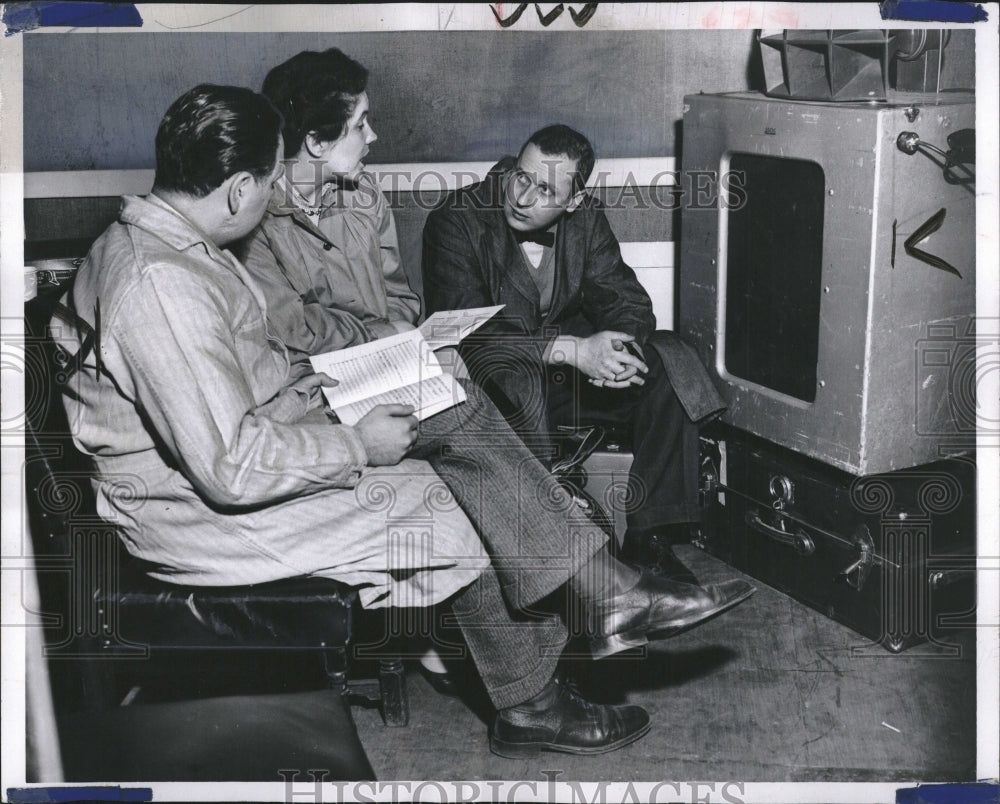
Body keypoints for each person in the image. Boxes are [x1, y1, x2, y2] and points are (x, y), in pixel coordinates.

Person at [58, 84, 755, 758]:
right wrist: (356, 441)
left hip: (258, 437)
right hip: (198, 515)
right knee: (464, 498)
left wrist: (364, 378)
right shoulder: (162, 285)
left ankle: (598, 606)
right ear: (238, 190)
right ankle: (544, 685)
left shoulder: (181, 249)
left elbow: (249, 380)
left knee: (444, 395)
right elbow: (230, 469)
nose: (276, 196)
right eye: (271, 181)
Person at [422, 125, 728, 584]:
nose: (522, 197)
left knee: (669, 358)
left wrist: (616, 352)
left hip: (569, 384)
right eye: (520, 177)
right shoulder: (456, 220)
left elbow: (627, 301)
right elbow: (474, 335)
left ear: (574, 201)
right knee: (517, 377)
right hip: (496, 382)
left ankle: (652, 540)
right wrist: (574, 351)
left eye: (545, 189)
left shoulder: (587, 220)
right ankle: (569, 556)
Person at [235, 48, 421, 380]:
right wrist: (380, 334)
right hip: (309, 386)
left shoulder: (365, 193)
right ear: (317, 142)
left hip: (387, 364)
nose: (372, 136)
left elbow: (399, 295)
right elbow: (291, 332)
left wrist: (391, 341)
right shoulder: (253, 221)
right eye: (360, 125)